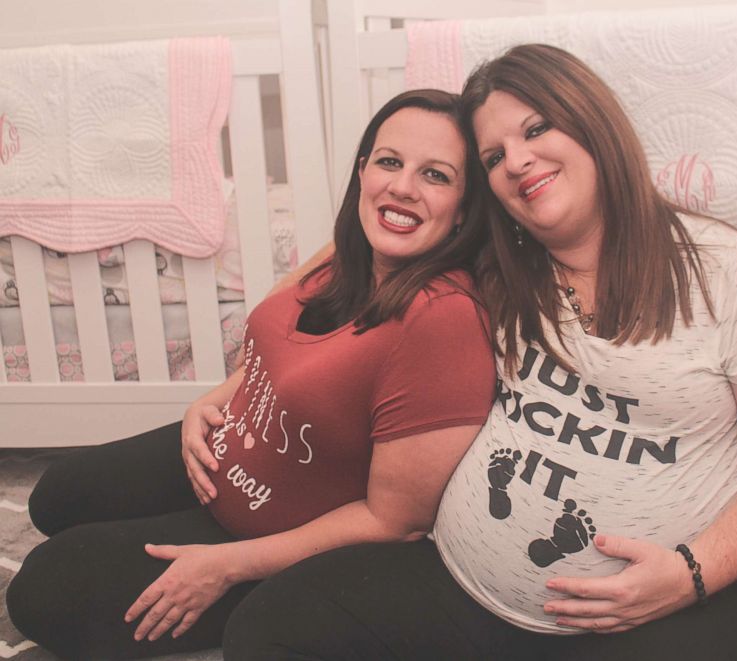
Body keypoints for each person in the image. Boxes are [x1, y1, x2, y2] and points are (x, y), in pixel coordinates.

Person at [223, 44, 737, 660]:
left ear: (592, 122)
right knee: (265, 628)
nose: (517, 161)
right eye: (493, 157)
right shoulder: (499, 263)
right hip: (456, 585)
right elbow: (345, 251)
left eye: (536, 129)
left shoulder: (731, 275)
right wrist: (237, 385)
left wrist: (690, 574)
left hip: (639, 616)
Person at [6, 88, 496, 660]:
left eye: (435, 175)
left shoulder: (443, 320)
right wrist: (214, 398)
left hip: (263, 537)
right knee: (57, 498)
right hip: (226, 453)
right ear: (363, 170)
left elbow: (397, 521)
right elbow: (285, 340)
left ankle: (260, 595)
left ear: (465, 205)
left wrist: (225, 568)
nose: (403, 186)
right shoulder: (353, 250)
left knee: (44, 592)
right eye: (389, 162)